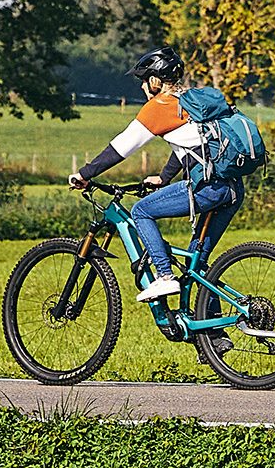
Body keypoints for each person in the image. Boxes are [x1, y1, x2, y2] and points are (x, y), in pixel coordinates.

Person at [69, 47, 243, 303]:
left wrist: (85, 173)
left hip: (208, 188)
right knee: (197, 266)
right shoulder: (191, 102)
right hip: (233, 188)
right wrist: (164, 178)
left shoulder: (159, 107)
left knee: (141, 211)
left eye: (143, 81)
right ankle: (215, 327)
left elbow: (122, 147)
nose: (142, 87)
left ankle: (164, 275)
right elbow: (190, 145)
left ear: (154, 81)